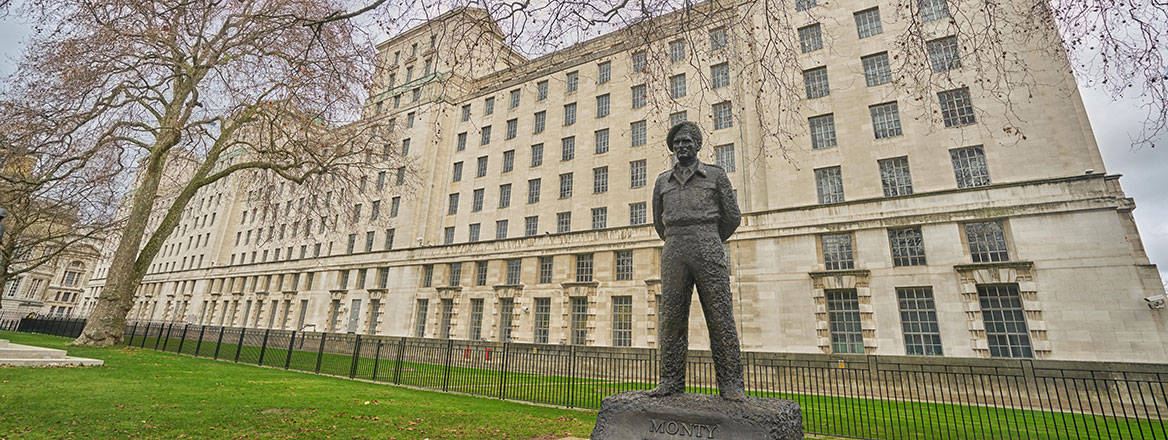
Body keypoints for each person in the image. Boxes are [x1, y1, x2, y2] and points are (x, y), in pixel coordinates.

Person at [648, 121, 745, 401]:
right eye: (677, 142)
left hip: (707, 242)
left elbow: (732, 217)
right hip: (675, 246)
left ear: (698, 145)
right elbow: (658, 223)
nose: (682, 146)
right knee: (672, 318)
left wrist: (710, 237)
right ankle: (670, 381)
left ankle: (731, 384)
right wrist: (677, 238)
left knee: (720, 315)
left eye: (687, 141)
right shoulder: (661, 181)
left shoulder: (715, 175)